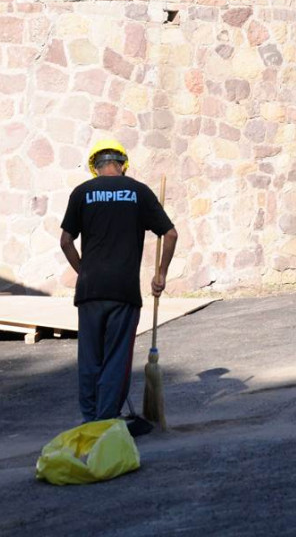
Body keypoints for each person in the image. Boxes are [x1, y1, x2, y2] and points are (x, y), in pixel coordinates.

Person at [60, 139, 178, 424]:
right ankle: (107, 421)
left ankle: (90, 421)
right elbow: (170, 234)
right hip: (123, 291)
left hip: (89, 290)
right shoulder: (138, 192)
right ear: (123, 164)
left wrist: (83, 270)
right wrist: (160, 274)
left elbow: (65, 241)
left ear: (95, 167)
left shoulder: (81, 193)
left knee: (90, 359)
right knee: (116, 359)